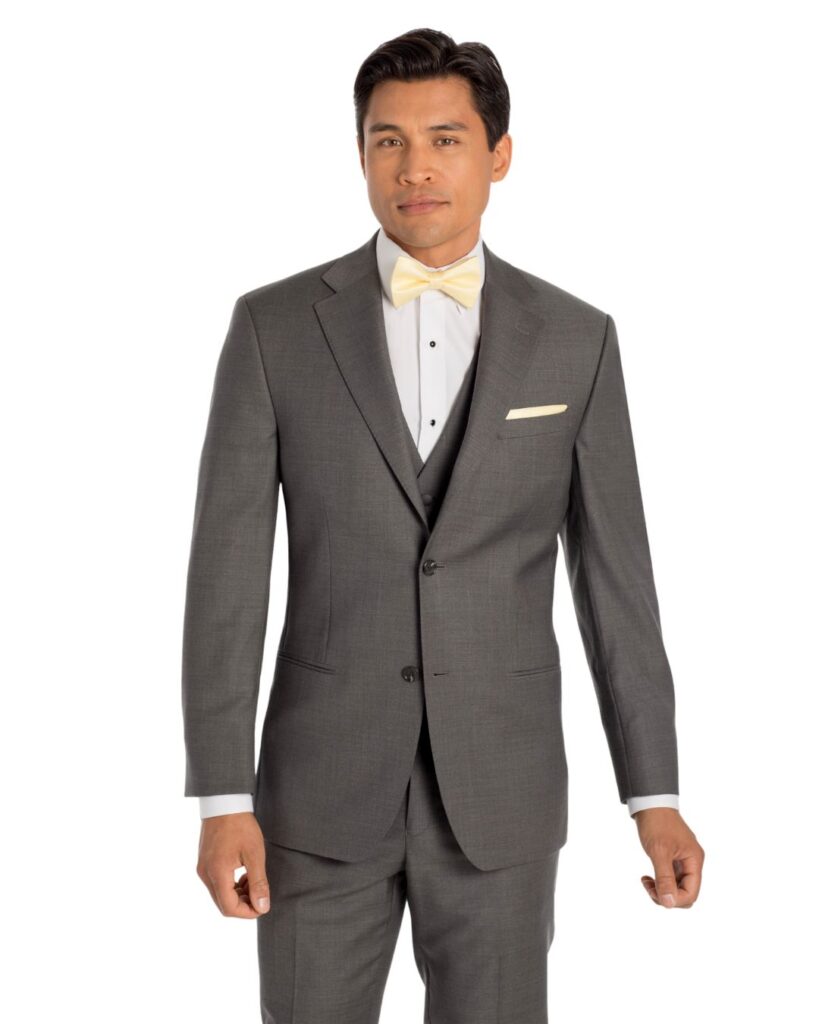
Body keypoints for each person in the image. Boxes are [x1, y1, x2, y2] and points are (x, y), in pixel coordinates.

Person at [181, 26, 705, 1023]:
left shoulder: (577, 339)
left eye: (445, 140)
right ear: (360, 154)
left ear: (498, 156)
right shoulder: (273, 328)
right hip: (317, 796)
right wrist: (222, 796)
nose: (414, 168)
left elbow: (615, 585)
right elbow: (226, 579)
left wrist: (654, 795)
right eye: (388, 141)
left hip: (503, 794)